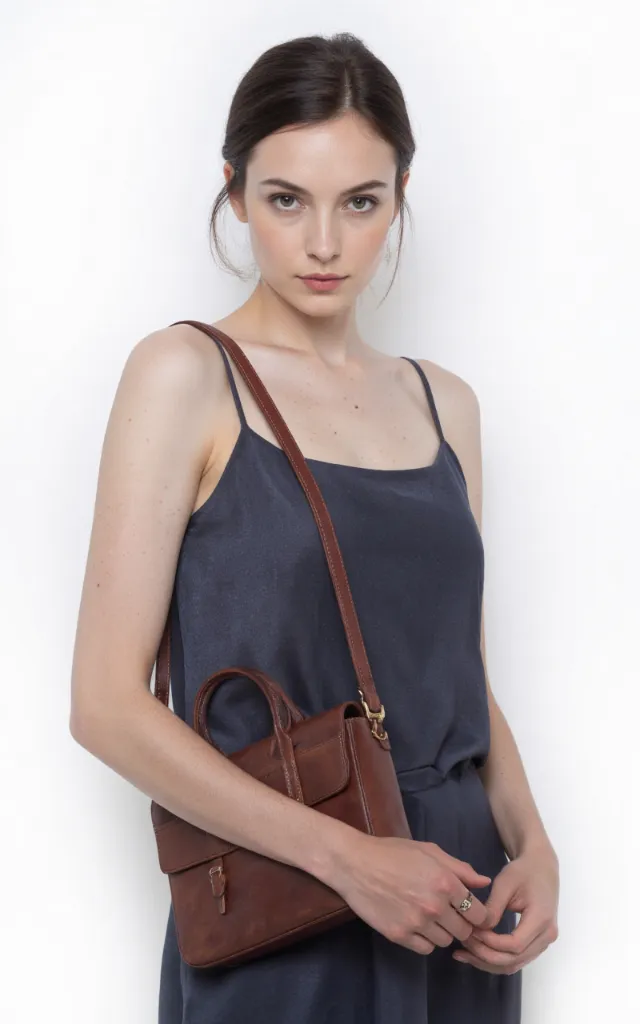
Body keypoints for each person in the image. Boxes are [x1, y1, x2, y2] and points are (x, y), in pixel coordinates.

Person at [69, 31, 559, 1024]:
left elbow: (456, 670)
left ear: (401, 196)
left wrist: (534, 843)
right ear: (235, 192)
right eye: (287, 199)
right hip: (285, 901)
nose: (324, 244)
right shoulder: (184, 376)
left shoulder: (445, 405)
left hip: (457, 899)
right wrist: (351, 859)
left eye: (360, 203)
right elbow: (105, 706)